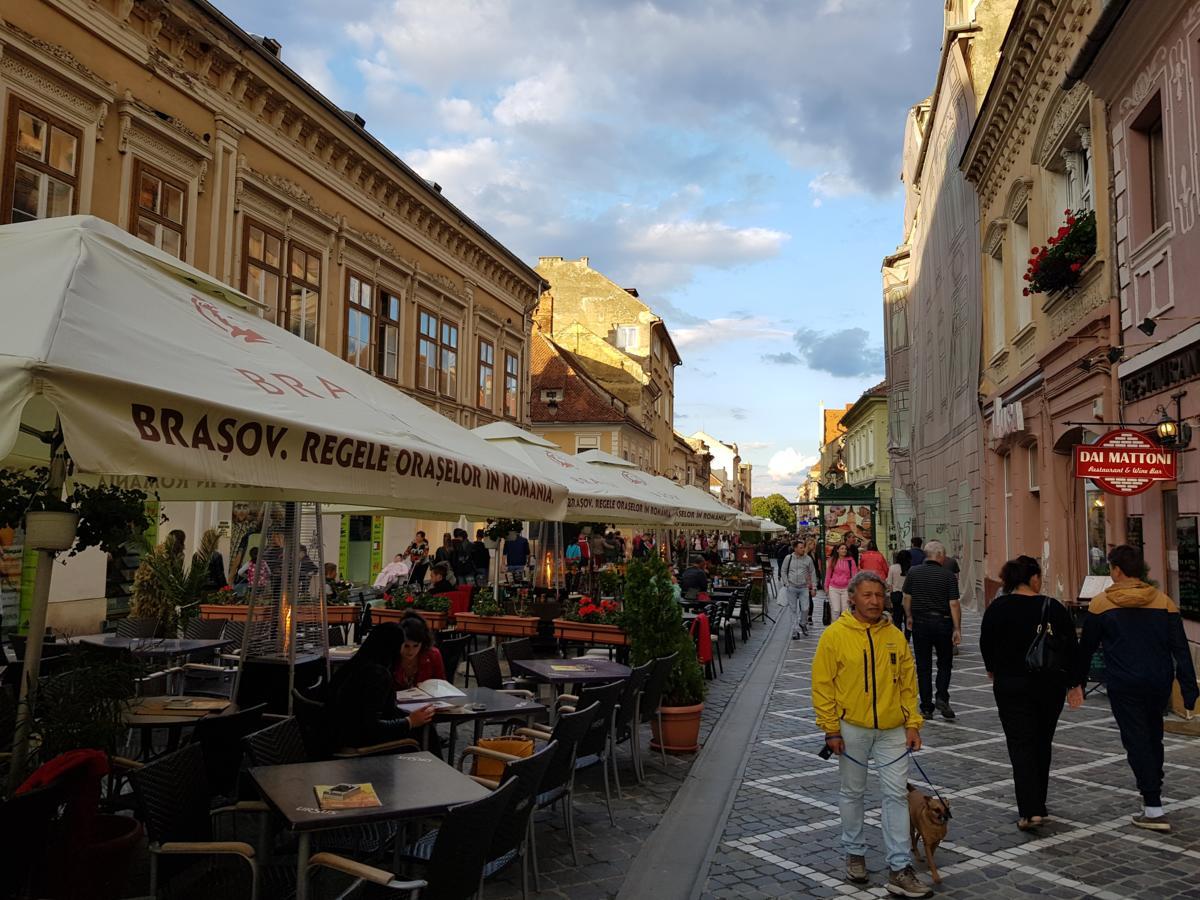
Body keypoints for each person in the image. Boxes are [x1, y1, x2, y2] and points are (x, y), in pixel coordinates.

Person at [812, 571, 928, 897]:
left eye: (879, 595)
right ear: (852, 598)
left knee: (895, 796)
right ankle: (855, 854)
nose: (874, 601)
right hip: (852, 730)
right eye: (867, 595)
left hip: (892, 730)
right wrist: (830, 728)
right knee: (853, 793)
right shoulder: (834, 636)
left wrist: (913, 723)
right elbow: (823, 686)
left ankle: (900, 868)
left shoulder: (895, 636)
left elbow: (908, 683)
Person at [1075, 544, 1198, 832]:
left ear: (1116, 570)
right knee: (1153, 736)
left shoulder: (1101, 604)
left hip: (1124, 683)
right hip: (1158, 681)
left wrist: (1076, 682)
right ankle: (1153, 790)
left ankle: (1153, 805)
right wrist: (1189, 690)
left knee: (1136, 740)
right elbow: (1180, 648)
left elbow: (1086, 648)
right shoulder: (1163, 601)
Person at [981, 556, 1083, 830]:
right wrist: (1075, 684)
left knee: (1020, 744)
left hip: (1011, 685)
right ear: (1034, 578)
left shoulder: (997, 608)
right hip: (1049, 685)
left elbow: (986, 643)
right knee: (1041, 742)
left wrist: (993, 669)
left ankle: (1030, 810)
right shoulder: (1053, 607)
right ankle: (1039, 802)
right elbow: (1072, 647)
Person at [329, 622, 436, 749]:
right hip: (354, 743)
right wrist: (410, 721)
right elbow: (371, 726)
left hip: (335, 735)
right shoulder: (377, 674)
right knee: (426, 734)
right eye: (403, 645)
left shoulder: (356, 665)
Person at [903, 540, 961, 720]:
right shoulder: (948, 575)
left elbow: (906, 597)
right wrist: (957, 628)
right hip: (942, 622)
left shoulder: (913, 572)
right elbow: (953, 603)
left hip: (920, 622)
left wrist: (909, 617)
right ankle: (942, 696)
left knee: (923, 665)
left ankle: (926, 706)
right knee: (944, 663)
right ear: (940, 556)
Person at [392, 613, 446, 689]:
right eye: (406, 646)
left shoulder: (433, 655)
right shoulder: (391, 655)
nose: (411, 651)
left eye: (416, 646)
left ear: (423, 643)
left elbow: (441, 685)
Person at [781, 540, 817, 638]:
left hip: (804, 587)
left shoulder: (808, 559)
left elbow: (812, 573)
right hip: (791, 587)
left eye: (803, 547)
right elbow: (783, 571)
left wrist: (813, 587)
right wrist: (786, 583)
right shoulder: (788, 558)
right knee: (793, 609)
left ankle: (803, 623)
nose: (803, 549)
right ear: (795, 548)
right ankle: (795, 631)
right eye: (800, 548)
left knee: (805, 608)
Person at [824, 544, 858, 620]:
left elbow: (854, 576)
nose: (844, 550)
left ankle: (844, 628)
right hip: (833, 588)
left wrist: (853, 589)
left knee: (845, 611)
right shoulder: (832, 560)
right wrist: (826, 587)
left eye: (845, 549)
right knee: (836, 610)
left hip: (846, 588)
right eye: (842, 548)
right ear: (837, 550)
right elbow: (828, 574)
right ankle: (834, 628)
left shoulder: (850, 561)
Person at [887, 550, 912, 638]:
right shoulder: (911, 568)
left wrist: (890, 596)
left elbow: (889, 583)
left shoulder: (893, 568)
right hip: (908, 595)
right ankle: (907, 637)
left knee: (897, 618)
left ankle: (898, 636)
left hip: (896, 594)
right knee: (908, 617)